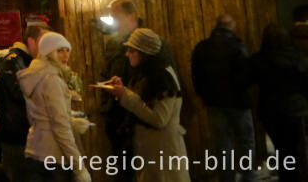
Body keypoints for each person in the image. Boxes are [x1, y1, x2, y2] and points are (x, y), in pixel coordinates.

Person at [99, 0, 174, 179]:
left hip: (140, 119)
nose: (112, 21)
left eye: (116, 16)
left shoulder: (153, 44)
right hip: (118, 118)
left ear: (131, 16)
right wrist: (107, 100)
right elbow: (105, 73)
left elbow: (162, 88)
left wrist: (129, 94)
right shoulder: (113, 44)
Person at [108, 28, 190, 182]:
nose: (127, 54)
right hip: (152, 152)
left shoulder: (162, 77)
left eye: (132, 50)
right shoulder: (147, 73)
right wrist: (123, 89)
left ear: (144, 52)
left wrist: (125, 95)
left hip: (162, 154)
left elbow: (159, 118)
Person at [17, 32, 91, 182]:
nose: (65, 56)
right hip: (53, 157)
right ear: (48, 53)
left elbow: (42, 116)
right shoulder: (52, 80)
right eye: (59, 51)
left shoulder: (36, 75)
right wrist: (79, 167)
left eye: (67, 50)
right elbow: (59, 126)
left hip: (35, 149)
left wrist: (72, 123)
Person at [191, 14, 254, 182]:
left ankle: (227, 179)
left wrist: (203, 95)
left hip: (214, 103)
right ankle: (247, 177)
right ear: (231, 25)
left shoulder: (202, 47)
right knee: (246, 141)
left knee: (223, 145)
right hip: (238, 102)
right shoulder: (237, 45)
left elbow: (196, 75)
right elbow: (246, 74)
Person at [251, 24, 308, 182]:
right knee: (297, 148)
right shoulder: (298, 58)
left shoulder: (258, 60)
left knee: (281, 148)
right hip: (295, 110)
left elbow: (246, 79)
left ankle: (287, 176)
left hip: (270, 111)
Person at [0, 22, 51, 182]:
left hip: (29, 137)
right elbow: (20, 93)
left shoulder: (29, 61)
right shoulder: (13, 61)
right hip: (17, 139)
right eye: (43, 42)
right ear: (31, 42)